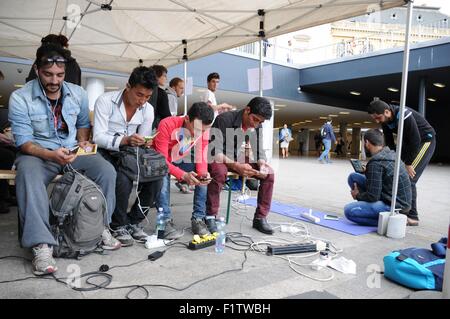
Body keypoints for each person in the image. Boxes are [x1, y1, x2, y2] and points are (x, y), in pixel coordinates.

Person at [8, 43, 120, 275]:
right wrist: (51, 155)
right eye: (48, 74)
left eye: (60, 75)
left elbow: (82, 125)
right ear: (37, 69)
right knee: (27, 174)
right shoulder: (20, 97)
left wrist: (83, 142)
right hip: (38, 154)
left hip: (71, 152)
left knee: (106, 170)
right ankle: (42, 245)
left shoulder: (77, 93)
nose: (54, 81)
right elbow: (24, 142)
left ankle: (101, 228)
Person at [93, 66, 163, 246]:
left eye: (147, 96)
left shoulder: (147, 109)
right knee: (123, 177)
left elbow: (144, 137)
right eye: (139, 95)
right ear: (128, 86)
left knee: (157, 177)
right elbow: (98, 137)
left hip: (130, 151)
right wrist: (125, 140)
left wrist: (144, 141)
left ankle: (134, 221)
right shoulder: (105, 101)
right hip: (106, 149)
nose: (143, 101)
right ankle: (118, 225)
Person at [206, 97, 275, 235]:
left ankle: (260, 218)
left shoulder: (257, 125)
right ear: (247, 110)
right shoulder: (224, 119)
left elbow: (259, 149)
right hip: (218, 157)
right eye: (255, 119)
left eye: (260, 122)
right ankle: (210, 216)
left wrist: (261, 163)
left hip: (235, 157)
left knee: (269, 173)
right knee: (219, 172)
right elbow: (214, 151)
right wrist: (237, 166)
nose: (256, 125)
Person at [368, 99, 436, 226]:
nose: (377, 121)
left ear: (387, 112)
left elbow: (416, 140)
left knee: (409, 177)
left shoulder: (403, 114)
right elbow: (389, 143)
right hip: (408, 143)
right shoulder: (385, 121)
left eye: (378, 118)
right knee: (397, 172)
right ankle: (400, 208)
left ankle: (413, 216)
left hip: (425, 141)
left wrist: (408, 163)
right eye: (375, 119)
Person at [153, 102, 215, 238]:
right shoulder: (167, 124)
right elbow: (162, 162)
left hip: (177, 159)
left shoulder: (203, 130)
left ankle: (198, 219)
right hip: (157, 161)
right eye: (197, 130)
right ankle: (164, 222)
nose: (199, 134)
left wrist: (203, 174)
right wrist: (183, 175)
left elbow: (201, 157)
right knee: (162, 174)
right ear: (187, 119)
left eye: (203, 131)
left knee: (202, 176)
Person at [344, 129, 411, 226]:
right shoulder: (391, 154)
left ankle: (388, 222)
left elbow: (373, 196)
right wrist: (368, 172)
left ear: (367, 143)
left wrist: (358, 195)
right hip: (397, 199)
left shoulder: (376, 162)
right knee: (353, 177)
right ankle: (368, 207)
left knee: (349, 211)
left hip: (394, 206)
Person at [151, 65, 170, 129]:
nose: (166, 79)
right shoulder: (162, 93)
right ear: (157, 76)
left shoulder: (144, 89)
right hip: (154, 127)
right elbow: (166, 115)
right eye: (164, 76)